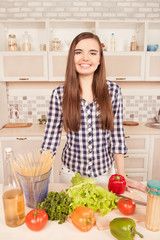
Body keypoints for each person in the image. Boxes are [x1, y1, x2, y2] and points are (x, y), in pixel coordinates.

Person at [41, 32, 146, 192]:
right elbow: (50, 141)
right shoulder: (59, 94)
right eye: (78, 52)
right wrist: (40, 178)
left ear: (99, 59)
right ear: (72, 58)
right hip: (71, 176)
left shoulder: (114, 92)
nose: (85, 58)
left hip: (104, 175)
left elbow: (117, 136)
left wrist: (121, 176)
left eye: (92, 53)